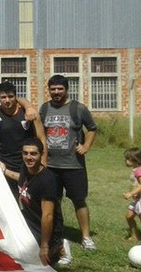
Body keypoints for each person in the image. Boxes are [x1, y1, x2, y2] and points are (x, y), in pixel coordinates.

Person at [40, 74, 98, 250]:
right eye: (53, 89)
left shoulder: (78, 108)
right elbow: (40, 132)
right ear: (48, 90)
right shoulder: (44, 108)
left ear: (66, 89)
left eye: (60, 89)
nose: (56, 92)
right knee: (53, 201)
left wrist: (86, 146)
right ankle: (57, 234)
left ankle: (86, 237)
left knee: (79, 200)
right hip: (50, 166)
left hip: (74, 165)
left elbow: (93, 128)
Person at [1, 138, 71, 266]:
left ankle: (59, 245)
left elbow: (48, 215)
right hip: (28, 220)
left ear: (41, 154)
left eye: (33, 153)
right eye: (25, 153)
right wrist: (5, 171)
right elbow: (21, 179)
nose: (29, 157)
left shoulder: (48, 180)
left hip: (45, 228)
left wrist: (44, 246)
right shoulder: (25, 169)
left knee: (32, 261)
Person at [0, 81, 46, 196]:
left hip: (28, 161)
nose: (7, 100)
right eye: (3, 97)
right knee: (10, 200)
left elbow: (41, 139)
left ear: (15, 97)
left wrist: (43, 162)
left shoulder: (29, 113)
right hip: (5, 163)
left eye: (10, 96)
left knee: (32, 198)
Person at [122, 148, 141, 241]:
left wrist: (131, 193)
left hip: (140, 200)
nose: (125, 161)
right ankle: (134, 236)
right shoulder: (135, 170)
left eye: (127, 159)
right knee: (129, 216)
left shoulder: (139, 171)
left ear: (134, 160)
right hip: (136, 199)